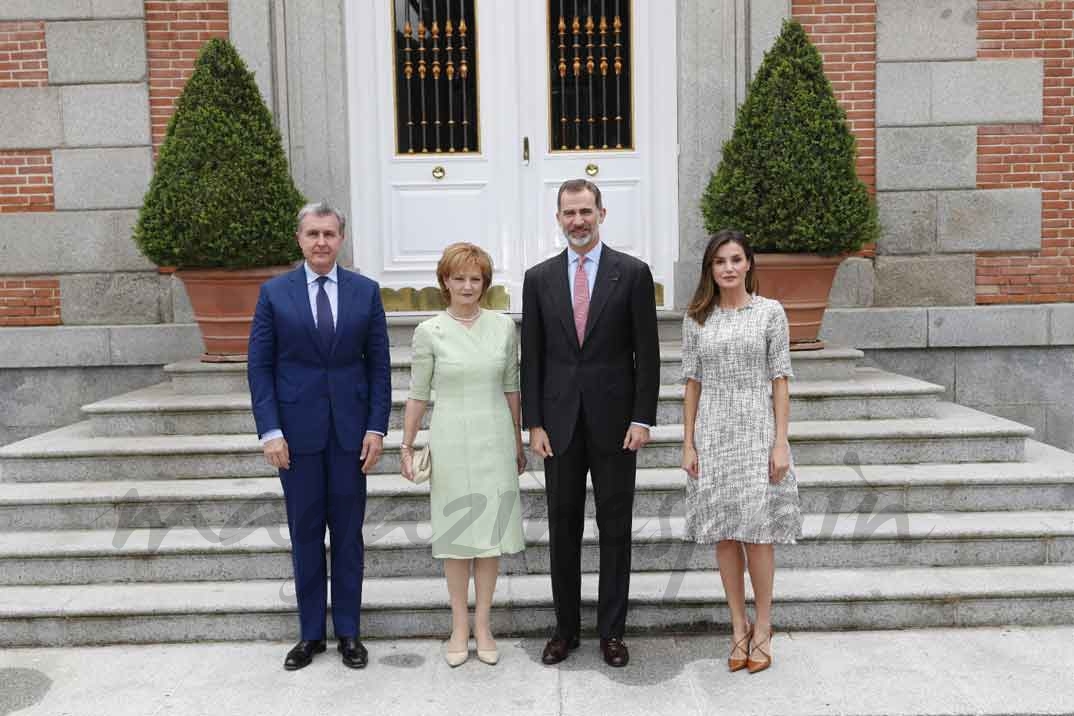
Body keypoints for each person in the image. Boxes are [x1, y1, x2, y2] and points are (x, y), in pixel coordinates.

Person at [521, 178, 660, 668]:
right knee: (562, 528)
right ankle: (564, 630)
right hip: (558, 426)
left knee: (615, 528)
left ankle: (612, 632)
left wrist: (643, 418)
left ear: (602, 212)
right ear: (557, 218)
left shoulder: (634, 274)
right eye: (568, 213)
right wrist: (533, 423)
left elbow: (648, 354)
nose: (577, 221)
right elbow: (531, 358)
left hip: (617, 424)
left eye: (585, 211)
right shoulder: (538, 279)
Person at [248, 200, 391, 671]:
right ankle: (310, 635)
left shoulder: (365, 293)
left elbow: (379, 367)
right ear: (300, 239)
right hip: (296, 438)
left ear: (341, 238)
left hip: (351, 436)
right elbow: (260, 368)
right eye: (313, 234)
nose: (321, 242)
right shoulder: (274, 294)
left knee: (348, 536)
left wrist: (376, 427)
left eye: (329, 234)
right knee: (305, 534)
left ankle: (349, 632)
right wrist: (270, 431)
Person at [679, 229, 802, 674]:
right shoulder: (697, 316)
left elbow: (780, 379)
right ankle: (738, 626)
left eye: (735, 259)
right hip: (712, 431)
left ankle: (764, 626)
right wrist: (688, 441)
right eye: (719, 262)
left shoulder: (770, 313)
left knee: (759, 532)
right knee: (725, 534)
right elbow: (691, 382)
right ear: (710, 269)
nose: (728, 268)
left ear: (748, 263)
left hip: (757, 429)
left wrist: (781, 439)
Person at [400, 242, 526, 668]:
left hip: (494, 437)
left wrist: (518, 440)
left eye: (476, 278)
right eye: (459, 278)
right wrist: (406, 443)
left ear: (485, 283)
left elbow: (512, 387)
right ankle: (458, 625)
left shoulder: (504, 328)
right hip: (451, 440)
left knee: (488, 541)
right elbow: (418, 395)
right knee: (456, 540)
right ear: (445, 282)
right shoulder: (428, 331)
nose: (468, 286)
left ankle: (484, 625)